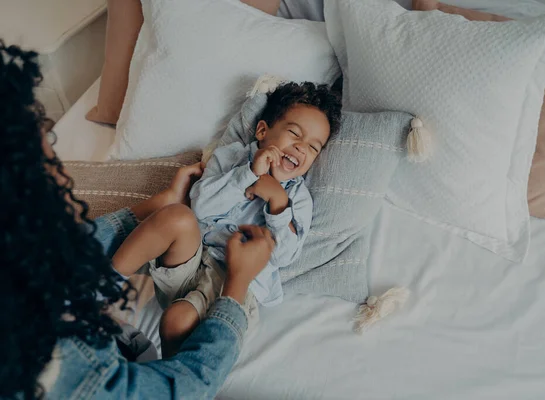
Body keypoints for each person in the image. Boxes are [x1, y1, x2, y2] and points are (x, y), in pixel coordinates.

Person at [0, 41, 275, 399]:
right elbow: (180, 389)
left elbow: (61, 254)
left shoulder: (20, 266)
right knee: (177, 318)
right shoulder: (56, 364)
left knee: (173, 221)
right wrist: (236, 287)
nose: (65, 179)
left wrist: (153, 206)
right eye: (51, 169)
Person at [111, 82, 342, 356]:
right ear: (262, 131)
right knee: (176, 216)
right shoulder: (232, 158)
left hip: (232, 286)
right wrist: (249, 174)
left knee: (177, 319)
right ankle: (101, 287)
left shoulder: (298, 200)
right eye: (294, 133)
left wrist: (278, 203)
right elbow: (201, 208)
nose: (301, 148)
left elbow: (283, 257)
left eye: (314, 147)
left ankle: (172, 369)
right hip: (188, 261)